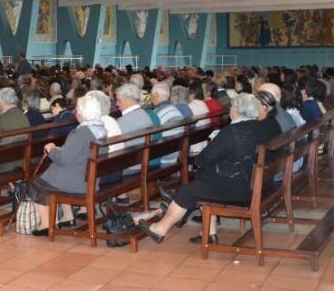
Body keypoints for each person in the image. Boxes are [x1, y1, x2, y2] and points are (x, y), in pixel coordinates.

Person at [138, 92, 281, 245]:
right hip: (259, 183)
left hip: (241, 189)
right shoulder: (267, 127)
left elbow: (202, 159)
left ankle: (159, 229)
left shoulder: (233, 131)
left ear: (236, 111)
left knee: (186, 191)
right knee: (205, 179)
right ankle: (208, 233)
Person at [28, 95, 107, 236]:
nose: (75, 112)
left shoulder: (81, 132)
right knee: (49, 179)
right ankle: (65, 217)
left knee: (37, 184)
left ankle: (46, 225)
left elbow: (63, 159)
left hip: (78, 183)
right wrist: (58, 149)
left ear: (82, 113)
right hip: (89, 178)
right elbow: (78, 153)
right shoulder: (101, 129)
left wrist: (51, 149)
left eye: (77, 110)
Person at [0, 87, 30, 173]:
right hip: (22, 160)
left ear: (2, 102)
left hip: (2, 164)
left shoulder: (0, 119)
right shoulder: (23, 115)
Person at [115, 84, 155, 176]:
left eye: (119, 100)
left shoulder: (123, 121)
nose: (117, 104)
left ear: (128, 100)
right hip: (143, 163)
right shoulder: (145, 115)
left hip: (129, 167)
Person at [150, 83, 184, 166]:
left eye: (151, 95)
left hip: (163, 159)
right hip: (175, 154)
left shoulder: (157, 114)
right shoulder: (175, 110)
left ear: (156, 95)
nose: (150, 98)